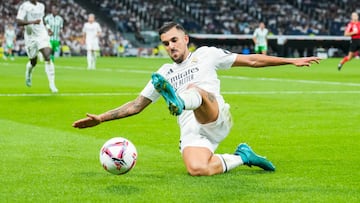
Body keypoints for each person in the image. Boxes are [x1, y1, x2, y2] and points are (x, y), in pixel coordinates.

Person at [72, 22, 320, 176]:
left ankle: (181, 101)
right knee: (197, 169)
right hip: (193, 131)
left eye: (174, 40)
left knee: (196, 90)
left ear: (186, 39)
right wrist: (101, 119)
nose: (170, 46)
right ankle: (244, 156)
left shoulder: (206, 55)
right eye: (165, 43)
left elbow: (252, 60)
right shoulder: (163, 73)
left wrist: (290, 60)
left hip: (215, 115)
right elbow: (136, 105)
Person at [16, 0, 58, 93]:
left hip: (41, 34)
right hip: (30, 37)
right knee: (33, 62)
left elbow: (41, 20)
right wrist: (32, 22)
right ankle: (29, 72)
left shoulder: (41, 6)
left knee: (47, 55)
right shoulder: (25, 6)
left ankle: (52, 84)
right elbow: (18, 21)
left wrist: (48, 29)